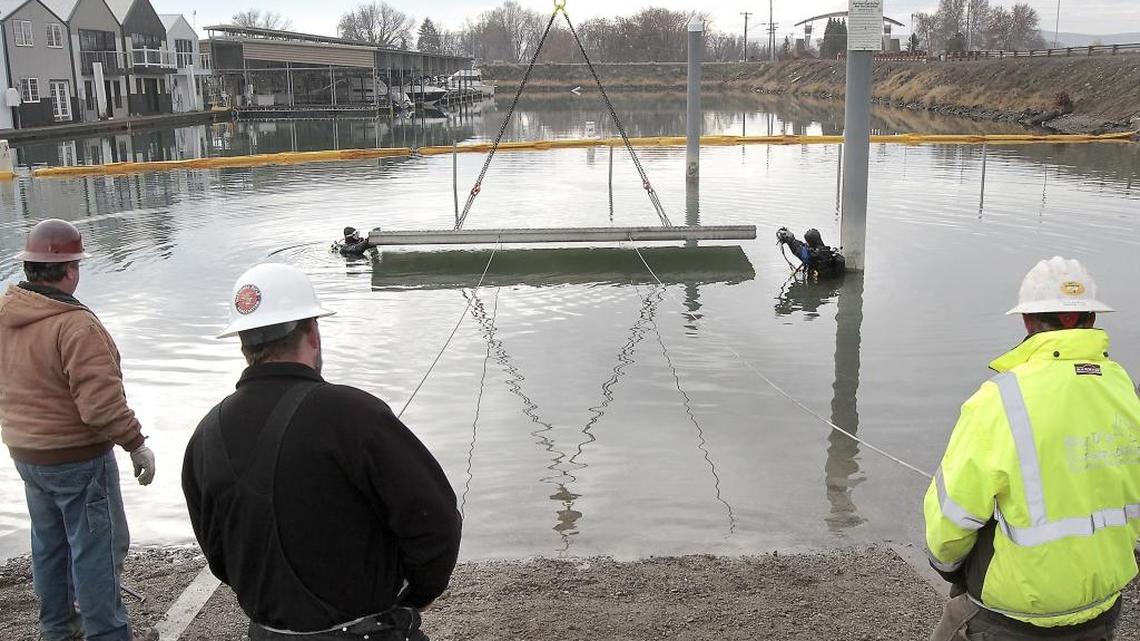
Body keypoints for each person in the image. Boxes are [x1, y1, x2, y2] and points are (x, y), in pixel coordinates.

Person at [182, 262, 461, 641]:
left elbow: (217, 553)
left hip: (268, 633)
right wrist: (414, 596)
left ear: (243, 342)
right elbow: (435, 521)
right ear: (312, 331)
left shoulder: (205, 434)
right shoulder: (353, 414)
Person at [925, 256, 1140, 641]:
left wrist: (949, 565)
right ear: (1091, 318)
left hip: (1011, 614)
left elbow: (951, 522)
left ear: (1027, 321)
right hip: (1102, 605)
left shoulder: (999, 400)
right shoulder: (1127, 391)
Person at [0, 219, 157, 641]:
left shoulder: (6, 313)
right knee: (97, 552)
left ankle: (57, 631)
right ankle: (106, 634)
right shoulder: (74, 325)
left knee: (49, 547)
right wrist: (136, 443)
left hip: (27, 455)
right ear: (71, 269)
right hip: (77, 459)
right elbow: (100, 406)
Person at [776, 227, 846, 278]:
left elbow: (799, 252)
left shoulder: (814, 255)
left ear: (811, 242)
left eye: (808, 241)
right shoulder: (824, 250)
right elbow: (803, 246)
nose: (806, 243)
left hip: (820, 283)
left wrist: (790, 240)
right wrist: (794, 239)